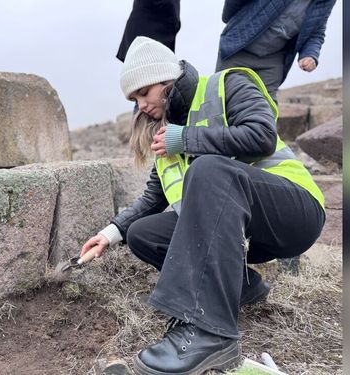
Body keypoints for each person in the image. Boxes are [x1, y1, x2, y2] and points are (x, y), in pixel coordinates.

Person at [81, 37, 325, 374]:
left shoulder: (227, 85)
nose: (141, 105)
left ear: (166, 78)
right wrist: (109, 234)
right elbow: (153, 198)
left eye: (144, 93)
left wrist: (185, 139)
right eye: (133, 99)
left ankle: (209, 333)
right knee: (142, 233)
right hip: (240, 233)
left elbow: (261, 136)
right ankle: (241, 287)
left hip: (294, 212)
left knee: (207, 168)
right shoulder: (166, 134)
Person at [218, 0, 337, 101]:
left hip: (272, 61)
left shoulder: (326, 1)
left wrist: (310, 55)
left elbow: (316, 31)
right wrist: (232, 22)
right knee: (221, 103)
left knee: (265, 112)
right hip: (237, 50)